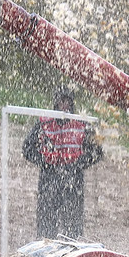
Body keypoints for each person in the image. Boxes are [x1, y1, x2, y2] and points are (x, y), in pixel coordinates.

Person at [22, 89, 103, 239]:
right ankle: (44, 251)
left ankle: (72, 253)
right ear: (55, 103)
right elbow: (27, 149)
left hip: (73, 178)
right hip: (49, 177)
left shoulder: (82, 124)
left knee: (73, 224)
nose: (64, 105)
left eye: (68, 102)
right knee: (46, 221)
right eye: (61, 101)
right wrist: (45, 162)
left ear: (72, 104)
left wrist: (78, 164)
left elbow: (97, 152)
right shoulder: (44, 123)